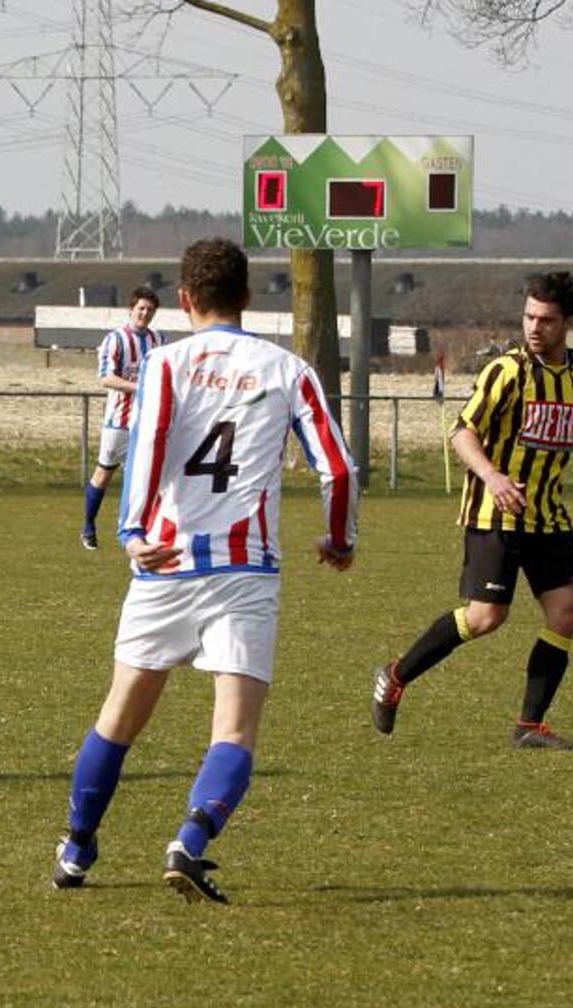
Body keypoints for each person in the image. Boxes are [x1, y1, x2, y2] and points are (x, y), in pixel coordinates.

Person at [50, 237, 358, 904]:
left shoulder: (160, 365)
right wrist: (338, 539)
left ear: (185, 300)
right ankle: (189, 841)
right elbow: (336, 467)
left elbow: (147, 448)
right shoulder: (285, 368)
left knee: (117, 720)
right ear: (247, 298)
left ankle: (76, 848)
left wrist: (131, 532)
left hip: (164, 564)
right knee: (235, 729)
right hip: (244, 570)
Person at [371, 271, 573, 749]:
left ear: (567, 323)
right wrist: (493, 478)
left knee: (566, 612)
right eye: (529, 317)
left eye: (546, 320)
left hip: (547, 517)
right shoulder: (508, 372)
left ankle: (529, 726)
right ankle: (395, 675)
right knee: (486, 618)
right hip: (494, 515)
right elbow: (462, 432)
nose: (534, 327)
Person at [82, 286, 163, 550]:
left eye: (150, 310)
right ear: (131, 309)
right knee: (104, 474)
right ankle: (88, 525)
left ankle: (137, 532)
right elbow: (106, 377)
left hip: (148, 422)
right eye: (141, 308)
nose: (145, 313)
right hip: (119, 422)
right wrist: (139, 387)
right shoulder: (115, 339)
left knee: (145, 477)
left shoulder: (158, 339)